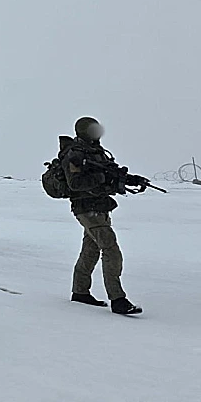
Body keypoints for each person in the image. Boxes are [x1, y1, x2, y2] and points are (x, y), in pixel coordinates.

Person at [61, 117, 143, 315]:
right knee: (111, 249)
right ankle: (118, 299)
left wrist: (130, 179)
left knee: (91, 249)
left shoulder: (97, 152)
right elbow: (76, 184)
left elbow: (111, 174)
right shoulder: (75, 154)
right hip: (87, 209)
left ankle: (80, 292)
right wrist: (103, 177)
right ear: (83, 131)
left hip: (100, 207)